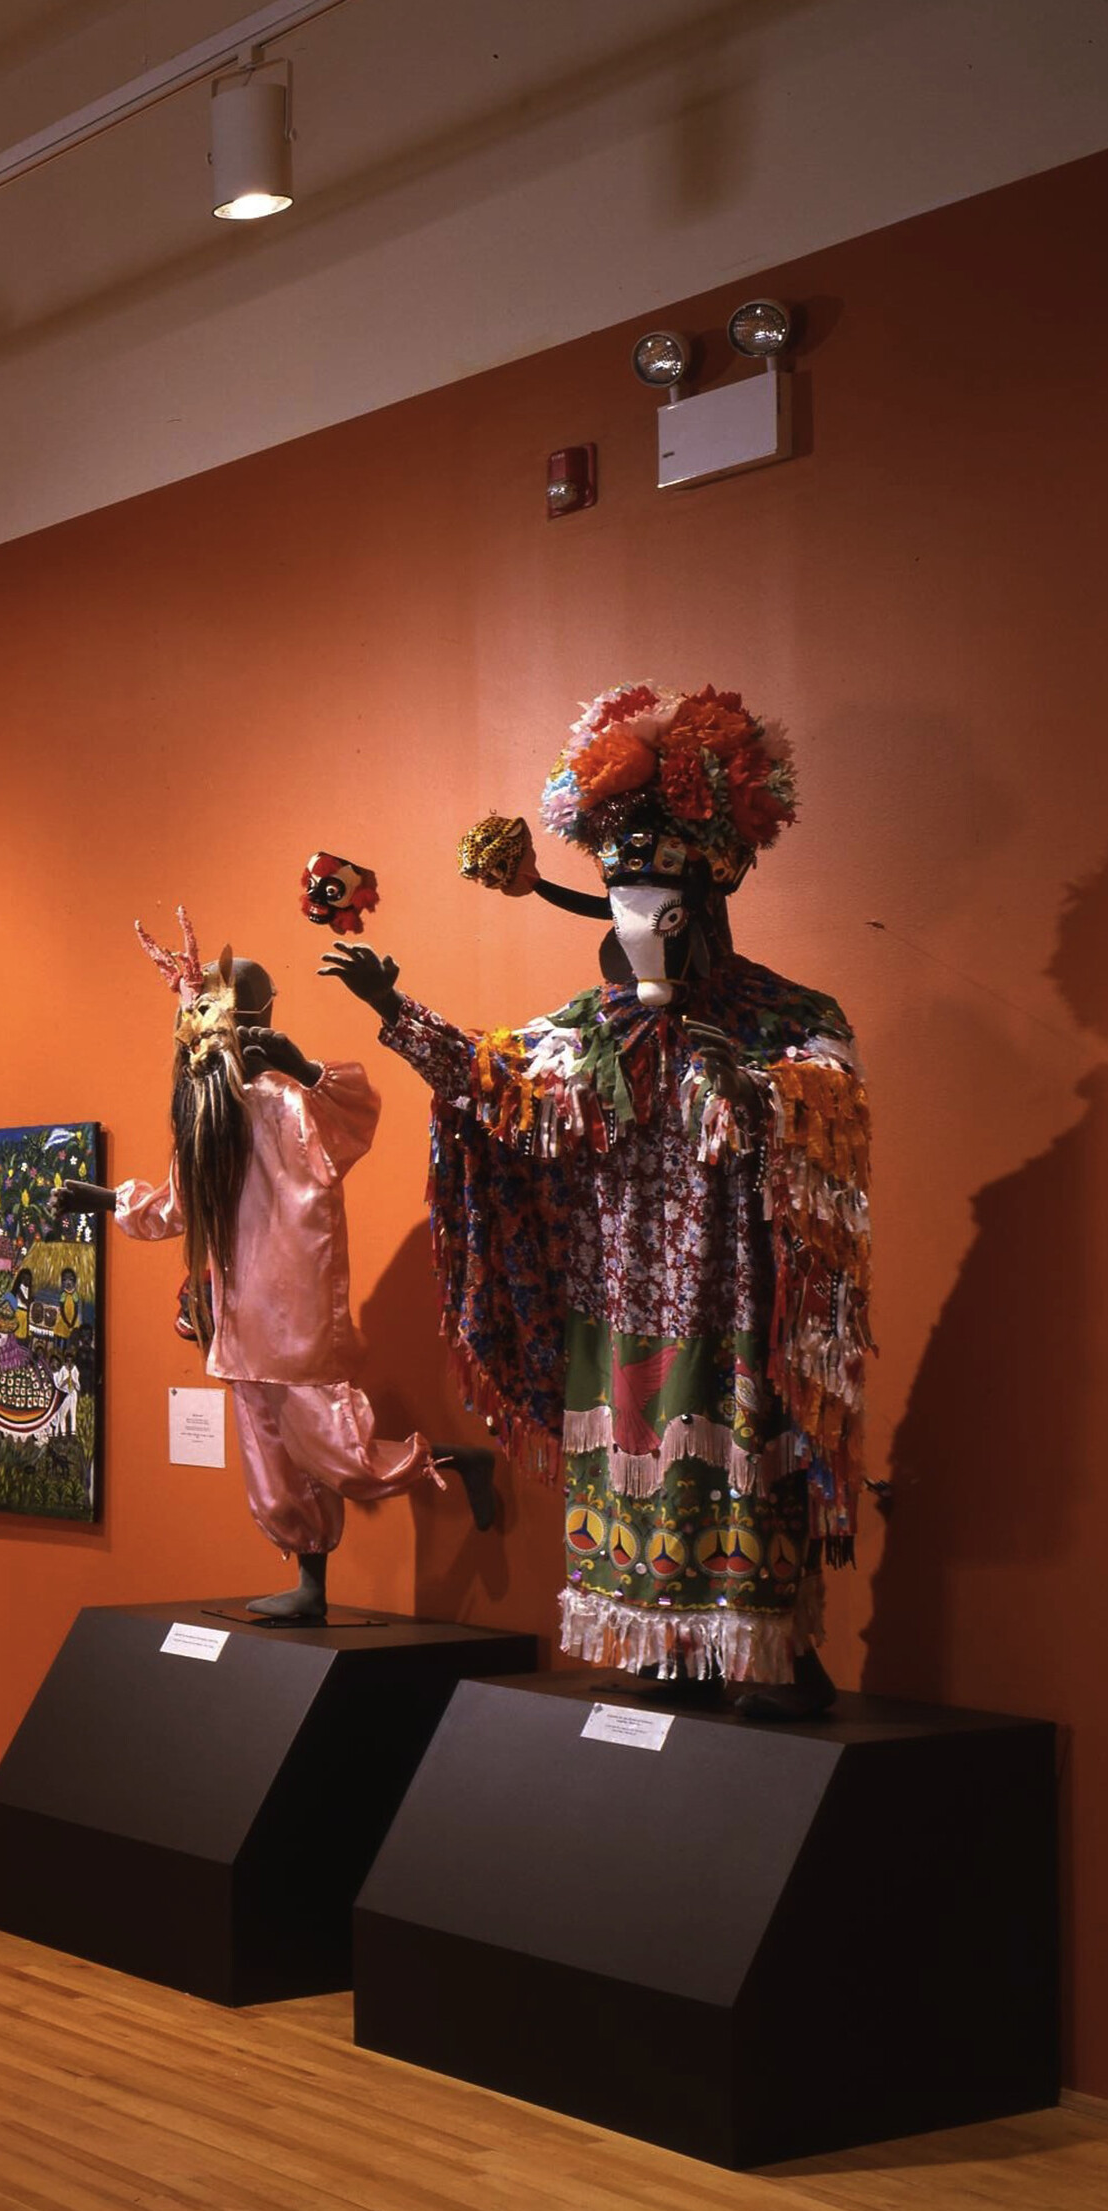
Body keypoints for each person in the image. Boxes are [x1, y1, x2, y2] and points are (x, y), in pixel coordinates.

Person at [324, 682, 868, 1718]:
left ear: (705, 907)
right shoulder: (585, 1025)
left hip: (732, 1287)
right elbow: (500, 1089)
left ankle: (768, 1655)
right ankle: (660, 1645)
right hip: (615, 1286)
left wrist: (750, 1085)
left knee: (747, 1447)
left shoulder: (782, 1014)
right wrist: (398, 1013)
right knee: (629, 1461)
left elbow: (829, 1102)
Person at [62, 914, 493, 1621]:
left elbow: (355, 1120)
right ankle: (312, 1588)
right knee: (273, 1473)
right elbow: (176, 1205)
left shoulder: (289, 1104)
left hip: (294, 1311)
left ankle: (450, 1460)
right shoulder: (211, 1118)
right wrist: (109, 1198)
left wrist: (304, 1068)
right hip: (240, 1323)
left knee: (340, 1454)